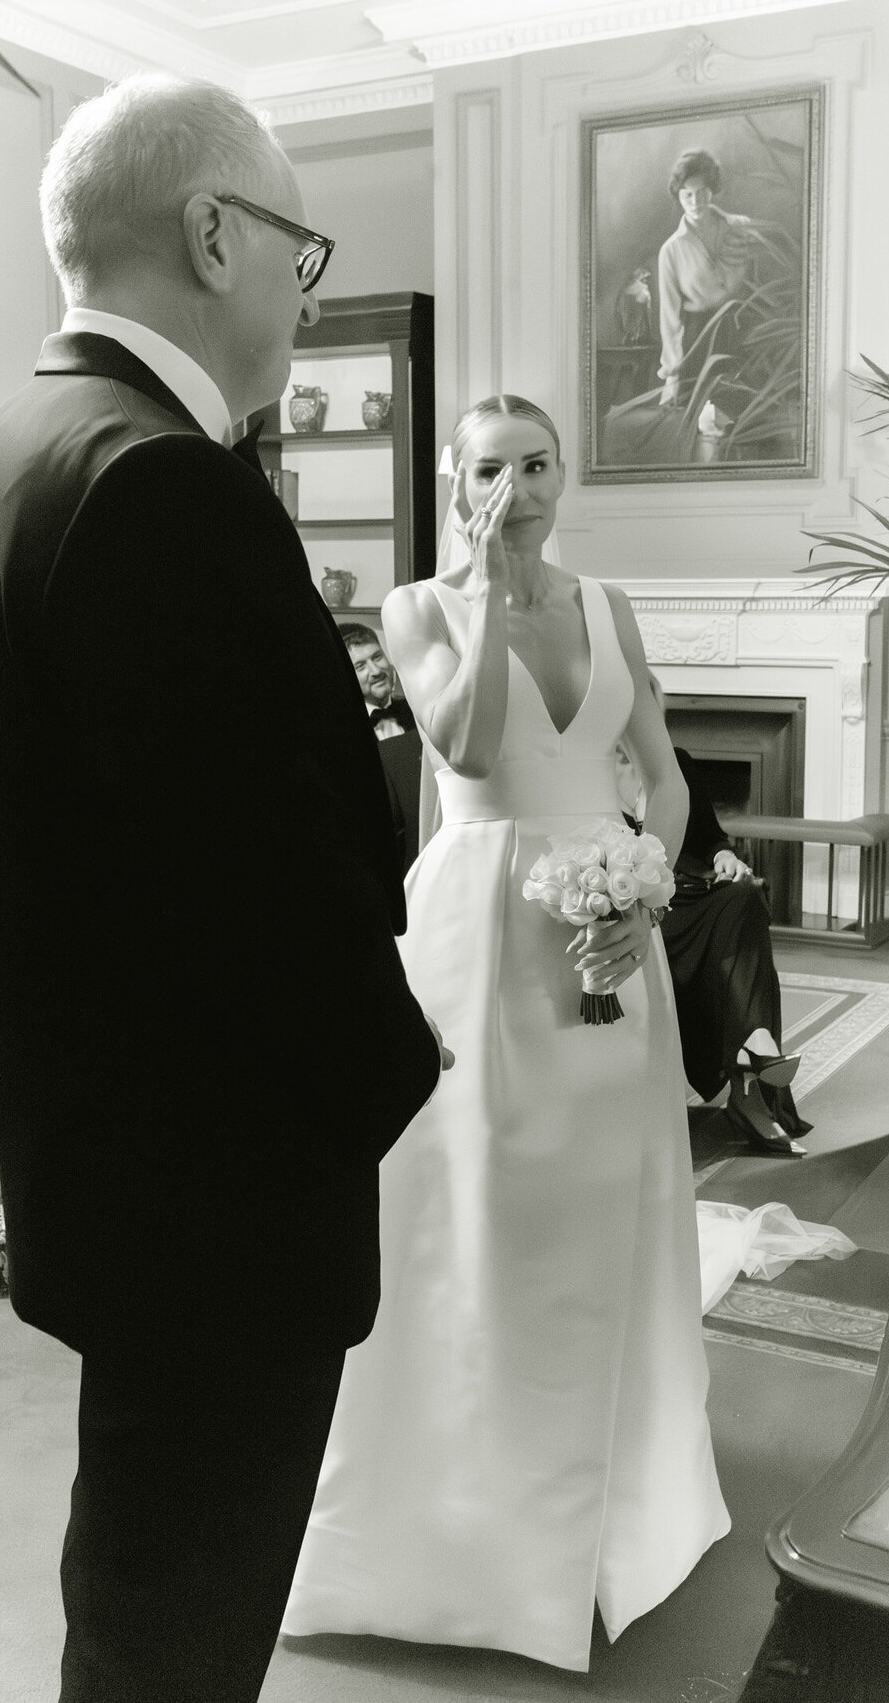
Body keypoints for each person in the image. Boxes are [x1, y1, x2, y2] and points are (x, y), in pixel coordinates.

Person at [0, 74, 446, 1703]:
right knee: (179, 1635)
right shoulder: (161, 481)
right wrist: (401, 1069)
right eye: (301, 248)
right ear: (215, 233)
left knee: (137, 1587)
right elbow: (279, 888)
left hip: (111, 1169)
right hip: (223, 1202)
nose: (308, 292)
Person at [283, 393, 731, 1670]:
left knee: (608, 1194)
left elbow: (663, 769)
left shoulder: (609, 607)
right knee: (474, 1201)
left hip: (609, 929)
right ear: (453, 481)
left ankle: (617, 1496)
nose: (516, 491)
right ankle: (471, 1517)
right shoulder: (417, 608)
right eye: (489, 469)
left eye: (537, 466)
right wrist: (483, 593)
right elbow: (467, 743)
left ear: (562, 474)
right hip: (477, 934)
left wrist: (645, 883)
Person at [618, 700, 810, 1157]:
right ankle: (751, 1071)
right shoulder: (584, 770)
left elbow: (709, 837)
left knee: (743, 896)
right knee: (737, 922)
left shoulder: (675, 763)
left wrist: (725, 856)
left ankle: (755, 1046)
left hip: (688, 893)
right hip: (637, 908)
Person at [657, 148, 755, 413]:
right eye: (687, 194)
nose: (695, 201)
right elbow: (669, 317)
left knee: (743, 416)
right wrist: (673, 372)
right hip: (698, 341)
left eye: (702, 192)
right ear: (678, 196)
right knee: (702, 420)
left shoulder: (741, 227)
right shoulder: (671, 250)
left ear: (712, 189)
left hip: (742, 331)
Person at [341, 622, 422, 870]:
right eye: (360, 666)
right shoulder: (344, 734)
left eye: (377, 657)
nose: (376, 670)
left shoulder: (421, 712)